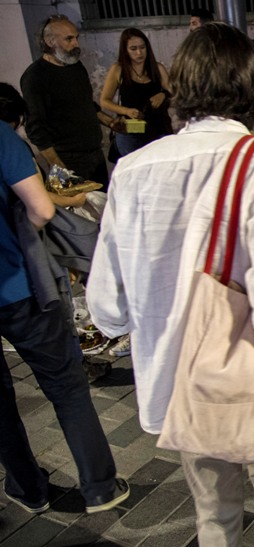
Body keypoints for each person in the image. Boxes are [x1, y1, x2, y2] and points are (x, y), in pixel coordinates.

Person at [87, 24, 254, 547]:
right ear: (250, 85)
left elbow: (108, 309)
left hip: (181, 386)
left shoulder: (132, 169)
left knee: (213, 523)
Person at [0, 82, 130, 516]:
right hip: (20, 287)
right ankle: (101, 487)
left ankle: (28, 489)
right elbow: (40, 209)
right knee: (67, 387)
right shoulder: (2, 136)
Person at [21, 15, 122, 189]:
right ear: (50, 41)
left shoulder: (76, 66)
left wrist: (111, 122)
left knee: (101, 208)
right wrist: (60, 167)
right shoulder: (35, 77)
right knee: (75, 214)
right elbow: (35, 128)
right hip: (65, 159)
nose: (76, 43)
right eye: (69, 39)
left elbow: (86, 104)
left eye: (76, 37)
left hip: (95, 155)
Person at [100, 28, 172, 158]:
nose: (139, 53)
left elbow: (174, 94)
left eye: (142, 47)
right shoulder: (118, 69)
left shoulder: (157, 68)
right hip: (131, 130)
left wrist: (164, 94)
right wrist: (126, 111)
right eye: (133, 49)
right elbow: (104, 100)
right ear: (125, 50)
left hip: (158, 128)